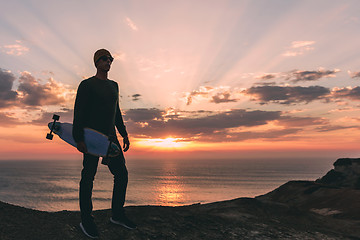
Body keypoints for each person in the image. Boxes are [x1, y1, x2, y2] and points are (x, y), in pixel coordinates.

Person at [73, 49, 136, 239]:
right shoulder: (87, 85)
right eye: (104, 58)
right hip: (92, 137)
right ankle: (86, 219)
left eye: (110, 59)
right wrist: (79, 138)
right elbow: (79, 111)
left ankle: (117, 214)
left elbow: (116, 112)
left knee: (121, 174)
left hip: (111, 138)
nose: (108, 61)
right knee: (88, 176)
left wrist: (123, 134)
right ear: (96, 62)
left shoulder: (114, 86)